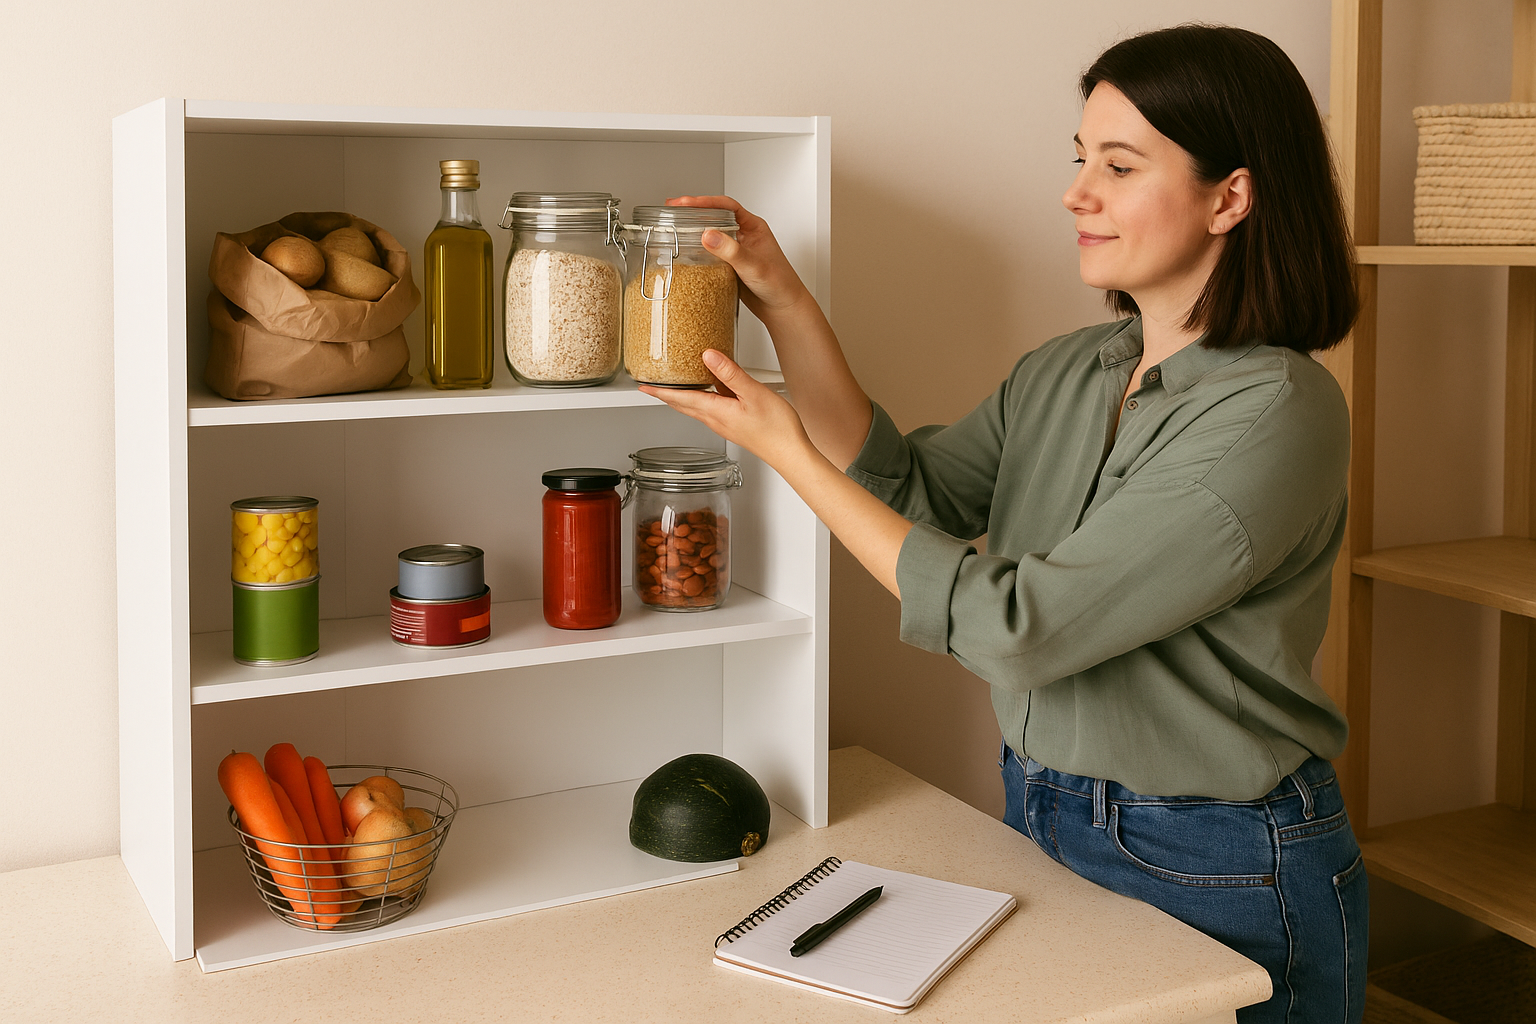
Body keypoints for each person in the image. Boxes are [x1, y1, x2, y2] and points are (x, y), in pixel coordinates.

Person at [643, 23, 1365, 1024]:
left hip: (1221, 854)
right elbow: (910, 491)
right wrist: (787, 305)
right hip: (1039, 807)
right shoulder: (1072, 369)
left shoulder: (1275, 410)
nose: (1078, 192)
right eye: (1081, 160)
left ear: (1229, 197)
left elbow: (1026, 628)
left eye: (1119, 164)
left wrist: (784, 451)